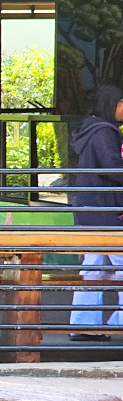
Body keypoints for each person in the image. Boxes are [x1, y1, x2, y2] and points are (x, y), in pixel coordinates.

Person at [69, 83, 123, 340]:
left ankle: (83, 323)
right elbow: (112, 167)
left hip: (89, 210)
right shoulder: (105, 133)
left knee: (92, 266)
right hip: (107, 212)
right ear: (113, 104)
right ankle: (116, 322)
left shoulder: (90, 130)